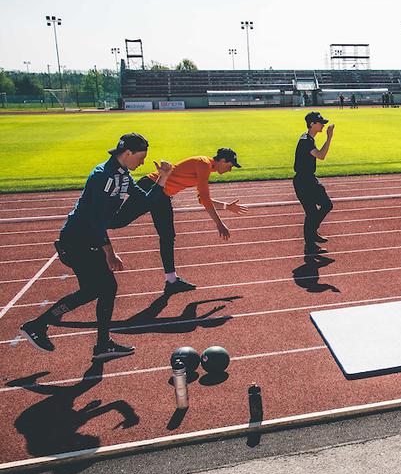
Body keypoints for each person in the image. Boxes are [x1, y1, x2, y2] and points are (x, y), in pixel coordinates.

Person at [19, 133, 173, 357]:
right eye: (140, 157)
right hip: (77, 240)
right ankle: (41, 326)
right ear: (127, 153)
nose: (142, 162)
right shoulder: (102, 176)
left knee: (99, 289)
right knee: (101, 288)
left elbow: (146, 202)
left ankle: (95, 341)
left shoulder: (123, 176)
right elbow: (95, 220)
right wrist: (110, 253)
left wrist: (163, 177)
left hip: (88, 240)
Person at [108, 148, 248, 293]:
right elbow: (205, 199)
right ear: (223, 160)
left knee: (167, 236)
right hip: (151, 186)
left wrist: (226, 206)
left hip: (163, 196)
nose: (230, 170)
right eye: (230, 166)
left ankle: (171, 280)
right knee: (117, 222)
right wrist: (219, 224)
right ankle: (90, 226)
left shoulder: (206, 167)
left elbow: (202, 198)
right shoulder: (204, 164)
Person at [294, 111, 335, 254]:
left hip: (306, 179)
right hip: (304, 181)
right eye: (320, 122)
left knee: (312, 213)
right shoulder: (306, 141)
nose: (323, 124)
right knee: (324, 206)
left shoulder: (308, 139)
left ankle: (311, 237)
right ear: (312, 124)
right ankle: (311, 239)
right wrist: (329, 137)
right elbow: (321, 156)